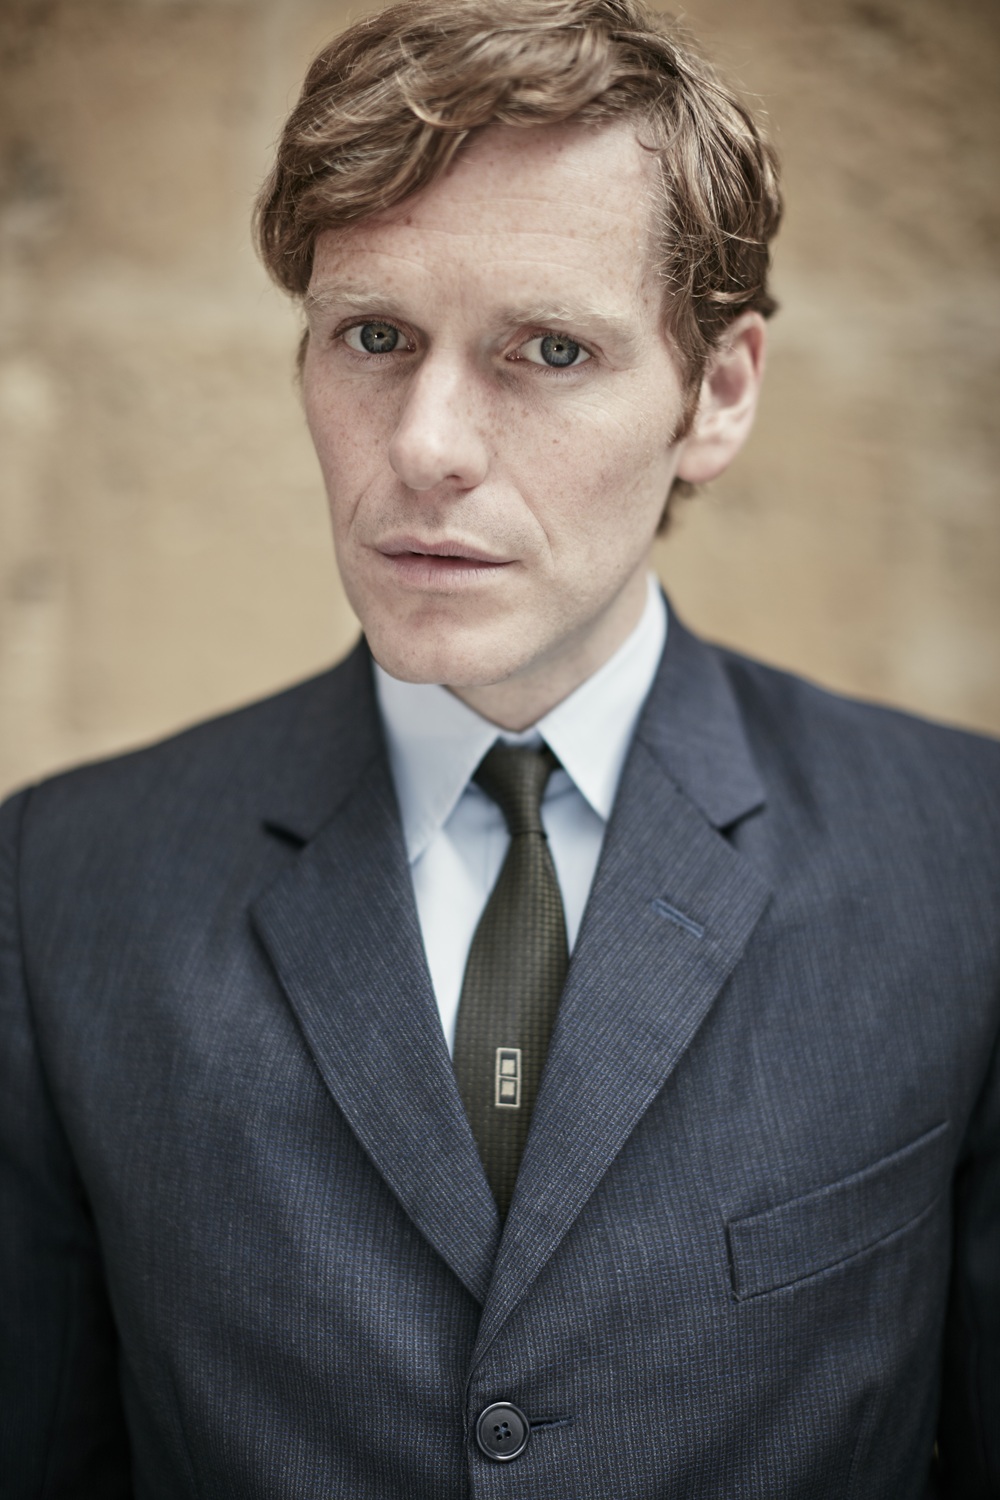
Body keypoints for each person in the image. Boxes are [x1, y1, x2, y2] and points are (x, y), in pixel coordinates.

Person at [1, 0, 997, 1494]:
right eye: (374, 336)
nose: (427, 446)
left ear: (718, 394)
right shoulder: (61, 881)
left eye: (548, 348)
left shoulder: (966, 854)